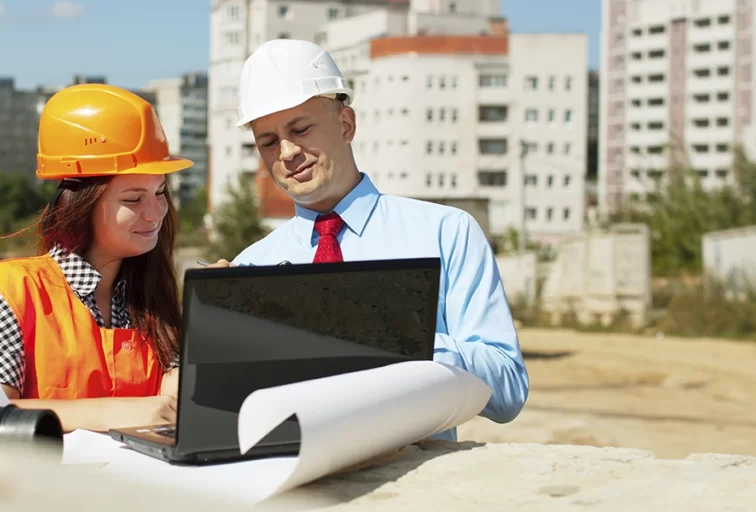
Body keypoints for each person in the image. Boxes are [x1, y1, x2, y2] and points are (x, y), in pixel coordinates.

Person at [217, 39, 529, 436]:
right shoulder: (250, 269)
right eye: (268, 141)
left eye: (300, 128)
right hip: (300, 490)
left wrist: (396, 338)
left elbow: (508, 392)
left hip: (407, 490)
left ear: (346, 124)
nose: (288, 151)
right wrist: (217, 342)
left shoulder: (446, 232)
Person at [0, 84, 190, 433]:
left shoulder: (153, 299)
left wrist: (211, 323)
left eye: (160, 192)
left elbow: (176, 408)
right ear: (81, 205)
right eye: (133, 199)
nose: (155, 212)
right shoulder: (12, 293)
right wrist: (117, 414)